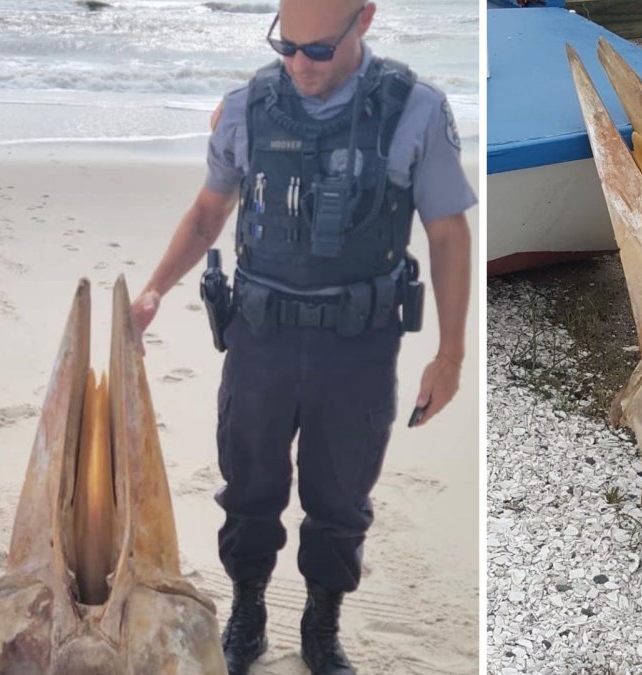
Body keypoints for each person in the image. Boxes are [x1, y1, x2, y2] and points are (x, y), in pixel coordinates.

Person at [130, 0, 475, 672]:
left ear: (364, 20)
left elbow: (448, 232)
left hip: (359, 344)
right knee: (249, 484)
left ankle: (322, 626)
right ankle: (248, 613)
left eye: (318, 51)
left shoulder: (416, 111)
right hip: (261, 338)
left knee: (341, 495)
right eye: (286, 46)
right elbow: (207, 213)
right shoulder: (246, 108)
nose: (298, 65)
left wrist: (451, 353)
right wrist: (153, 290)